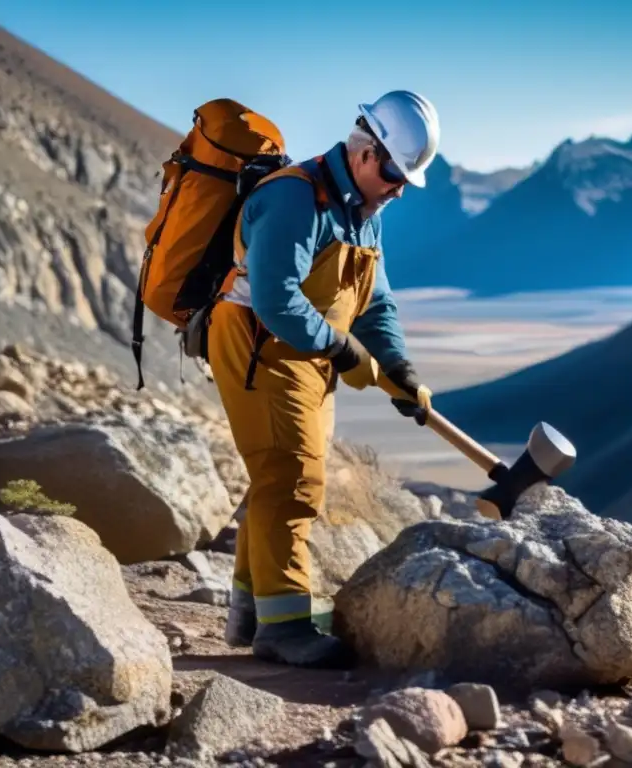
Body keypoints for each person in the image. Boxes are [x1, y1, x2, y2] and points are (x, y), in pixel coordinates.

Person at [207, 90, 440, 668]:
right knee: (292, 477)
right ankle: (285, 628)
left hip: (313, 357)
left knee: (282, 473)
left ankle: (251, 612)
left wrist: (399, 370)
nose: (399, 187)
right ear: (366, 152)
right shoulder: (293, 198)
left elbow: (374, 304)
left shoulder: (365, 215)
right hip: (261, 347)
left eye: (406, 177)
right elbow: (277, 301)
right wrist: (345, 350)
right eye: (393, 172)